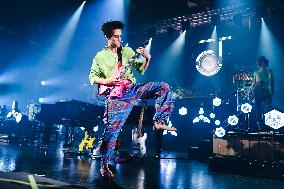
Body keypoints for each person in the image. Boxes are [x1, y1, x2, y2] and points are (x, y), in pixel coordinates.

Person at [89, 20, 177, 178]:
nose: (119, 39)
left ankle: (159, 121)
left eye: (120, 36)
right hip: (116, 97)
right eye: (116, 37)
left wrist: (147, 58)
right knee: (112, 132)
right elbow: (93, 77)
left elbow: (141, 70)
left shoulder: (128, 51)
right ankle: (104, 165)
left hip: (132, 89)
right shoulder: (100, 56)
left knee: (163, 87)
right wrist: (107, 81)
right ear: (107, 37)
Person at [250, 56, 274, 129]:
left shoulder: (269, 71)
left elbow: (270, 82)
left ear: (265, 63)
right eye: (261, 62)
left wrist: (270, 92)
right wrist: (250, 91)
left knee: (266, 106)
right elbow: (253, 83)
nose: (262, 64)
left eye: (263, 62)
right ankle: (259, 124)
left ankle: (267, 123)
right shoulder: (256, 72)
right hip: (257, 89)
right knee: (258, 107)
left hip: (264, 89)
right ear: (259, 63)